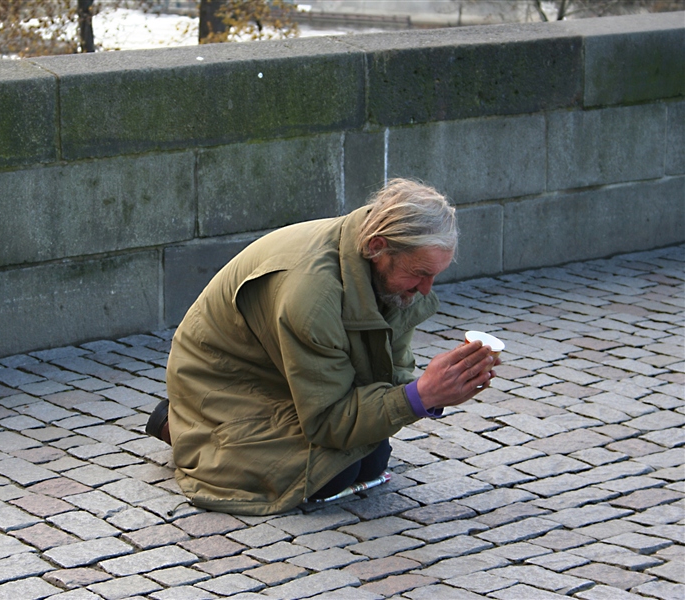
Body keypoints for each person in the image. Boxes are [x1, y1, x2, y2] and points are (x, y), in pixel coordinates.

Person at [146, 178, 499, 516]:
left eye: (435, 275)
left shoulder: (386, 271)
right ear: (377, 248)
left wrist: (435, 390)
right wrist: (420, 394)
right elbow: (330, 421)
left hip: (284, 371)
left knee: (371, 459)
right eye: (420, 273)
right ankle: (184, 425)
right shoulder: (312, 295)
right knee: (332, 474)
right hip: (224, 383)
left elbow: (387, 374)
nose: (426, 289)